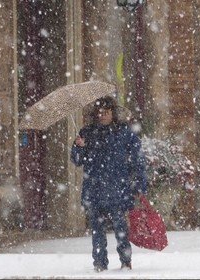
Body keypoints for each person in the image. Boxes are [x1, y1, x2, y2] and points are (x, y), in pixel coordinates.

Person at [70, 95, 148, 272]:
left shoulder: (124, 132)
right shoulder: (86, 132)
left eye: (107, 111)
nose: (103, 115)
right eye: (100, 112)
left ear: (113, 112)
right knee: (97, 230)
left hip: (118, 188)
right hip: (95, 189)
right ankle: (99, 263)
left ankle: (125, 261)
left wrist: (140, 184)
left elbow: (137, 159)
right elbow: (76, 160)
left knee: (121, 227)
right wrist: (79, 147)